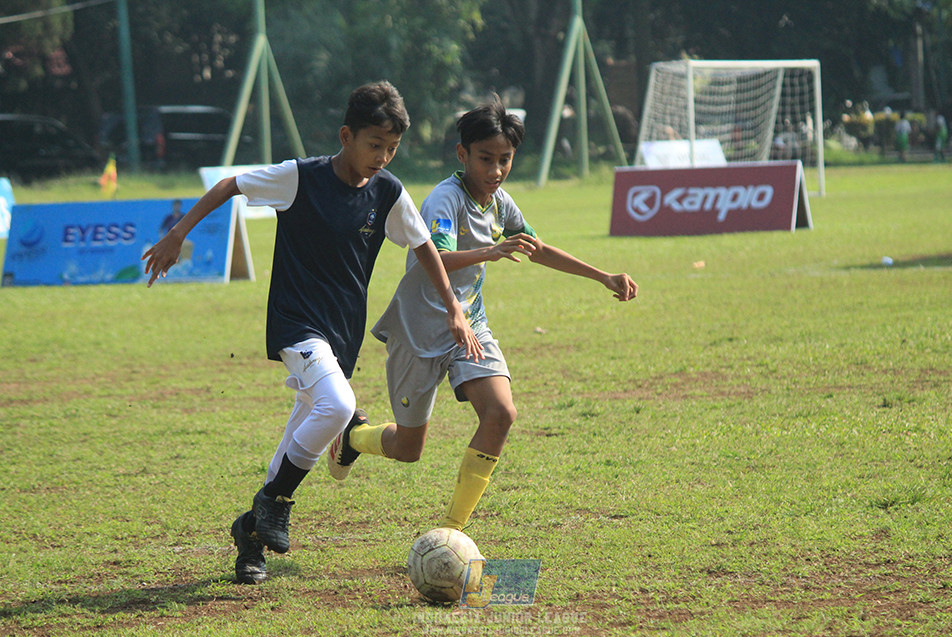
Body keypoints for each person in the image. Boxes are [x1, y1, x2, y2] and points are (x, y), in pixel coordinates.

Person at [141, 81, 483, 585]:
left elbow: (423, 244)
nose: (383, 157)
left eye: (392, 148)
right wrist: (178, 233)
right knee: (339, 408)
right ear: (346, 135)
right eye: (373, 145)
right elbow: (231, 184)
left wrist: (453, 306)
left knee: (301, 429)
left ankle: (251, 537)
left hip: (342, 333)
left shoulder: (388, 192)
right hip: (296, 323)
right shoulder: (299, 178)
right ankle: (275, 502)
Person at [327, 95, 638, 535]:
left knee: (501, 413)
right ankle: (353, 437)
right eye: (486, 159)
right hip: (418, 331)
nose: (495, 171)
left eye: (505, 160)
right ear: (463, 154)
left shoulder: (501, 202)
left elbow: (538, 248)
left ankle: (453, 532)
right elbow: (433, 253)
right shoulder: (444, 199)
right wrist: (491, 251)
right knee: (408, 448)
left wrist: (603, 276)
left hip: (469, 326)